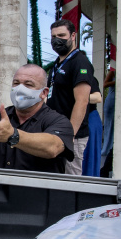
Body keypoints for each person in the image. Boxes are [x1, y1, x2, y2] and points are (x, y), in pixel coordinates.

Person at [46, 19, 95, 175]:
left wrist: (70, 135)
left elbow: (82, 101)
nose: (57, 40)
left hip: (71, 136)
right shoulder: (57, 64)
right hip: (54, 131)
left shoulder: (80, 63)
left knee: (69, 179)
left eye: (61, 35)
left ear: (73, 36)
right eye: (53, 37)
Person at [82, 77, 103, 177]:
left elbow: (98, 98)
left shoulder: (88, 78)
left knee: (90, 158)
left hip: (90, 120)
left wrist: (76, 97)